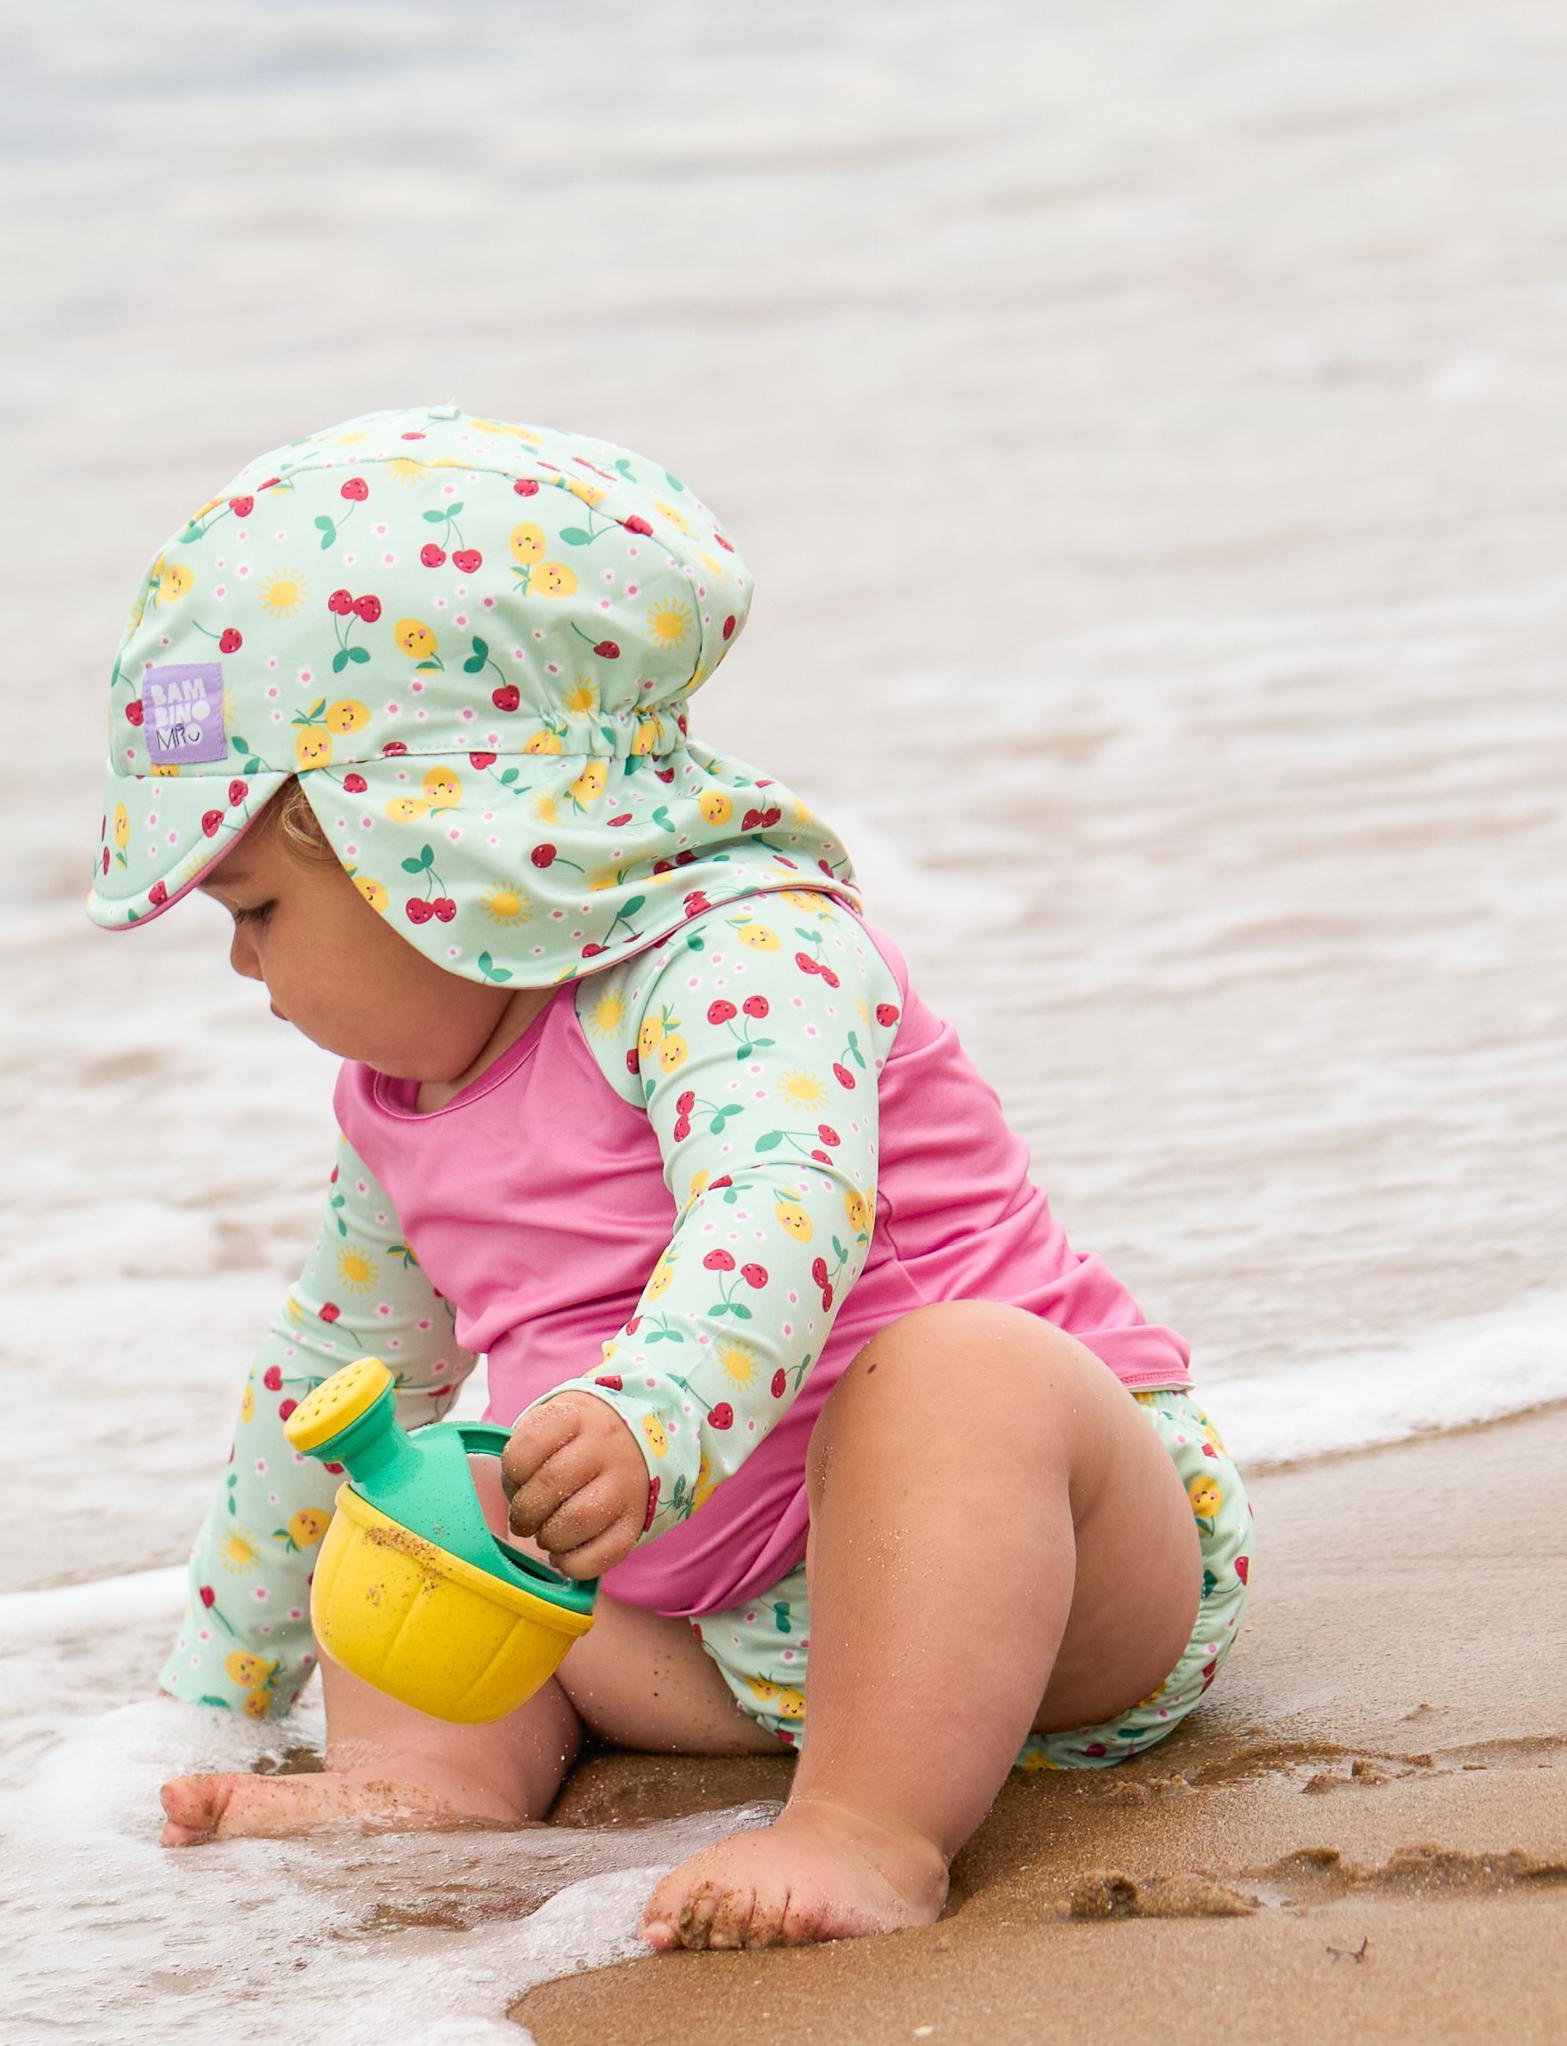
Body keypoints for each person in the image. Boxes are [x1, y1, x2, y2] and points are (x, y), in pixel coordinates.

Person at [84, 405, 1253, 1952]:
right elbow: (327, 1372)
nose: (243, 965)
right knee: (413, 1474)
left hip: (1047, 1586)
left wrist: (652, 1415)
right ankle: (428, 1782)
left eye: (256, 908)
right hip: (730, 1651)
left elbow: (783, 1206)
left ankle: (870, 1831)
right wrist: (211, 1698)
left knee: (961, 1374)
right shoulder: (399, 1106)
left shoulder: (744, 954)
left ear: (432, 842)